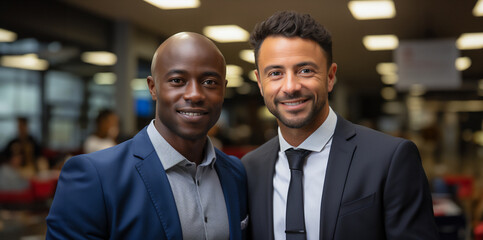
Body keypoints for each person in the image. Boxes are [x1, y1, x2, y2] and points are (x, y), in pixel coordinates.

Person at [241, 11, 439, 240]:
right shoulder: (250, 168)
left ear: (330, 76)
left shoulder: (390, 159)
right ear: (259, 82)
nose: (290, 86)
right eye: (275, 73)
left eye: (305, 70)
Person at [46, 32, 248, 240]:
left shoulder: (235, 174)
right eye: (177, 80)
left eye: (209, 82)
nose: (195, 94)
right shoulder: (95, 176)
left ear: (223, 90)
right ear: (153, 88)